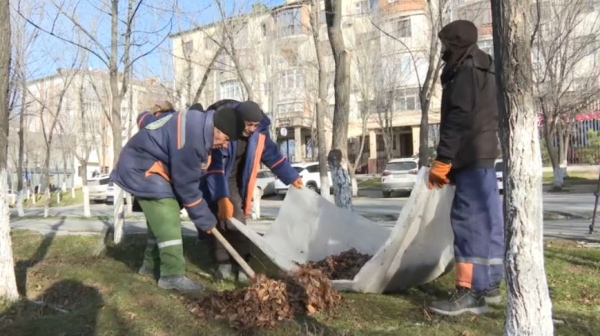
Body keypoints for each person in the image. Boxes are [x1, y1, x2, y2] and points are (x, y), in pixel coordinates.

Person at [110, 104, 245, 292]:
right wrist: (206, 220)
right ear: (217, 128)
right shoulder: (192, 137)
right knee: (168, 214)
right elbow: (187, 187)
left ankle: (150, 267)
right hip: (141, 169)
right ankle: (172, 276)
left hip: (148, 167)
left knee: (159, 222)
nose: (224, 145)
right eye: (226, 139)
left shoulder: (199, 126)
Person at [427, 20, 503, 316]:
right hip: (483, 154)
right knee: (488, 221)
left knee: (469, 222)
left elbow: (459, 117)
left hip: (469, 155)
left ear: (455, 44)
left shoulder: (466, 71)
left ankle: (470, 292)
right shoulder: (486, 66)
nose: (442, 49)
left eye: (445, 43)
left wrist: (444, 158)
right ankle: (490, 284)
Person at [200, 100, 302, 283]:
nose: (252, 129)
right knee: (218, 219)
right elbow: (214, 164)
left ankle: (242, 263)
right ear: (239, 119)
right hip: (216, 175)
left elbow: (272, 155)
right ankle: (223, 263)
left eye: (255, 125)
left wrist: (292, 176)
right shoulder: (224, 125)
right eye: (249, 125)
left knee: (235, 219)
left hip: (237, 180)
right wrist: (221, 197)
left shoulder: (259, 133)